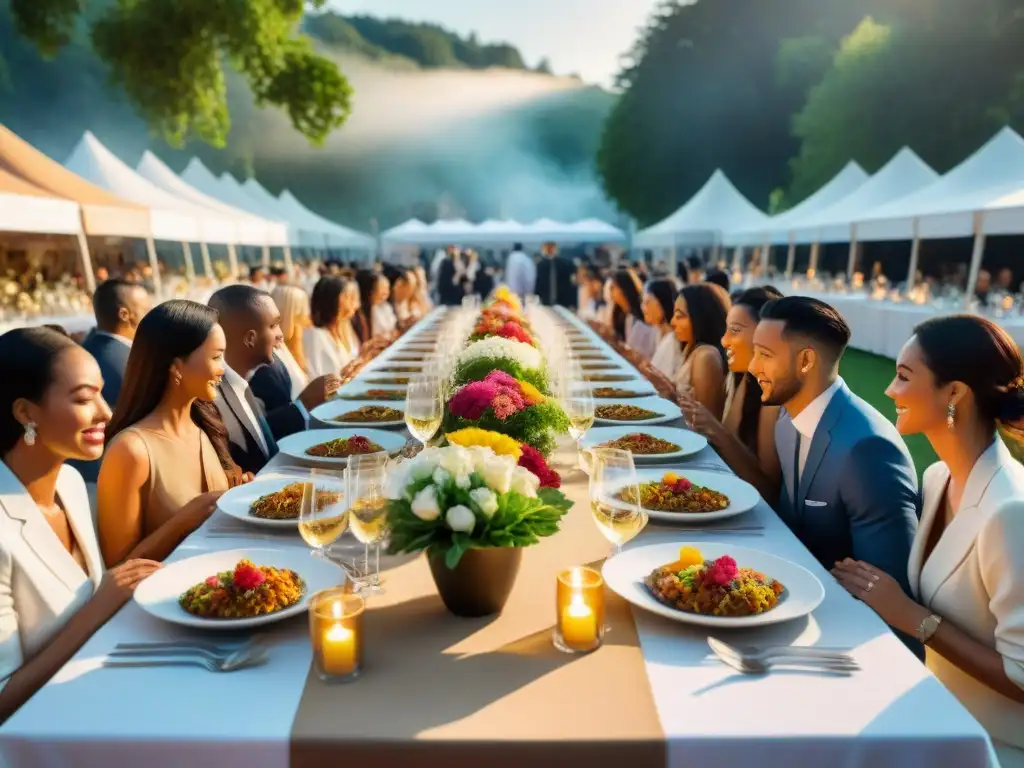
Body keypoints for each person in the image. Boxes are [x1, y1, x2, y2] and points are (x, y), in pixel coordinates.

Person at [834, 315, 1024, 764]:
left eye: (903, 377)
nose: (889, 390)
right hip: (933, 715)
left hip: (989, 747)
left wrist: (911, 617)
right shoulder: (937, 478)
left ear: (954, 392)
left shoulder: (1010, 511)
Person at [0, 327, 161, 719]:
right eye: (85, 398)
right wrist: (100, 605)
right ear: (25, 412)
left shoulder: (71, 484)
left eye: (102, 393)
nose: (106, 411)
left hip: (106, 697)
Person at [750, 296, 920, 643]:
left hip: (851, 643)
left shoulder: (868, 450)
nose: (753, 366)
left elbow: (889, 601)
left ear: (806, 360)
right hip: (789, 609)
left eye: (765, 355)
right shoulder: (785, 421)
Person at [97, 301, 233, 566]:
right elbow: (119, 569)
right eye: (216, 357)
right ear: (176, 366)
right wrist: (183, 520)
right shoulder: (131, 451)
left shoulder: (202, 424)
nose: (223, 369)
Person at [209, 286, 336, 473]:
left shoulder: (241, 386)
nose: (280, 335)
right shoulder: (218, 401)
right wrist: (305, 403)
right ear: (250, 338)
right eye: (273, 326)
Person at [677, 286, 783, 503]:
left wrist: (717, 431)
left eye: (735, 330)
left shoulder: (773, 398)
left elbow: (770, 493)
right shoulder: (743, 379)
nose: (724, 340)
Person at [69, 279, 151, 485]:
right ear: (125, 314)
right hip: (115, 477)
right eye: (147, 310)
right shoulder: (127, 363)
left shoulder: (85, 350)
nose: (151, 317)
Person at [670, 283, 730, 417]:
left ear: (701, 317)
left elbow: (708, 423)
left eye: (680, 316)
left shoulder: (706, 356)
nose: (672, 322)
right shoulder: (691, 348)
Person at [304, 276, 361, 376]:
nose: (352, 304)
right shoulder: (315, 335)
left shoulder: (335, 333)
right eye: (347, 297)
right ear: (331, 301)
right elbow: (317, 381)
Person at [268, 285, 311, 398]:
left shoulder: (283, 348)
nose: (308, 322)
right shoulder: (272, 355)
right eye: (301, 316)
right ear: (289, 317)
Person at [610, 269, 657, 357]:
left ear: (623, 289)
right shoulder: (622, 314)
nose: (610, 291)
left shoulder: (639, 318)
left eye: (613, 287)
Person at [643, 278, 683, 377]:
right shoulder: (658, 332)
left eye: (647, 302)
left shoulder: (674, 339)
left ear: (662, 303)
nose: (643, 307)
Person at [534, 242, 577, 308]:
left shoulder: (567, 265)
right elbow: (538, 284)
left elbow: (573, 285)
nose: (549, 249)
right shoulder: (540, 266)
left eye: (551, 247)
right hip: (546, 303)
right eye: (547, 247)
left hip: (564, 303)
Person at [358, 270, 396, 338]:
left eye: (387, 289)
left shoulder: (384, 306)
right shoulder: (360, 314)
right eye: (381, 290)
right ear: (370, 291)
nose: (386, 293)